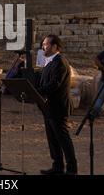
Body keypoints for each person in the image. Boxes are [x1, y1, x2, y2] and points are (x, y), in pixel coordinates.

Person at [38, 35, 78, 175]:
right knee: (53, 139)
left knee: (63, 139)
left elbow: (55, 83)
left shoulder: (60, 62)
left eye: (46, 44)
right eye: (43, 44)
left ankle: (72, 169)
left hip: (58, 107)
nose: (44, 47)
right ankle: (58, 167)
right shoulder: (50, 62)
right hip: (49, 107)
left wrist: (38, 91)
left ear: (55, 46)